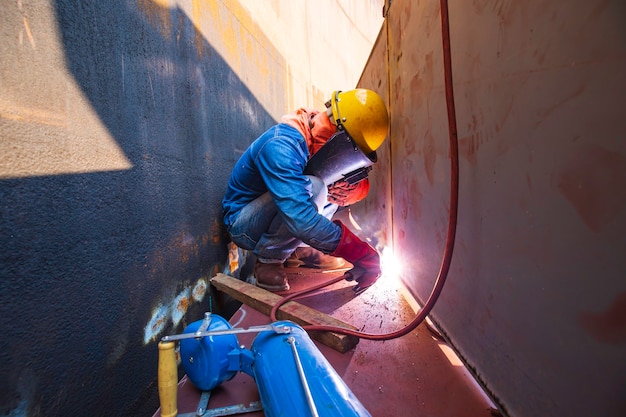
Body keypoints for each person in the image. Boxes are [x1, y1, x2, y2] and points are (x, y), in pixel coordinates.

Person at [222, 89, 389, 294]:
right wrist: (356, 250)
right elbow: (301, 217)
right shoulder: (281, 145)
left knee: (329, 182)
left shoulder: (312, 141)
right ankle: (268, 260)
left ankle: (299, 251)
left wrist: (350, 191)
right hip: (243, 226)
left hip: (275, 216)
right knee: (316, 186)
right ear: (338, 132)